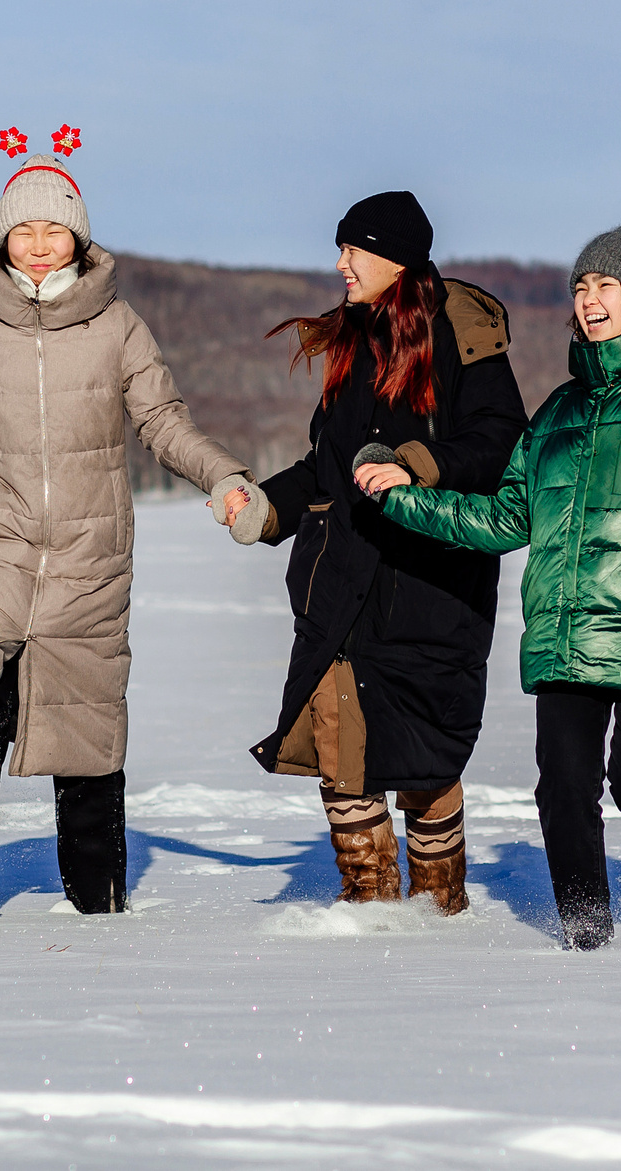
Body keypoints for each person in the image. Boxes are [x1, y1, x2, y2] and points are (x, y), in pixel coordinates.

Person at [366, 219, 621, 950]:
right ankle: (587, 936)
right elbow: (506, 516)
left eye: (606, 285)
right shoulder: (558, 413)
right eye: (580, 287)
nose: (589, 301)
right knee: (563, 788)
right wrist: (400, 494)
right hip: (565, 636)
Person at [0, 134, 263, 916]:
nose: (37, 245)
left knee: (90, 729)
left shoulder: (118, 327)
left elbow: (162, 420)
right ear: (2, 237)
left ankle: (96, 898)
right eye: (23, 230)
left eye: (52, 229)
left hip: (87, 558)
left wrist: (224, 477)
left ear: (78, 237)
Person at [214, 191, 526, 914]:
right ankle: (368, 910)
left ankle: (441, 913)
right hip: (341, 587)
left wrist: (415, 462)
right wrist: (264, 506)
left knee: (425, 763)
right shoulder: (353, 342)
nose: (340, 264)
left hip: (431, 585)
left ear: (394, 257)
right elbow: (325, 465)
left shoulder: (462, 334)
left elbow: (500, 442)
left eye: (353, 250)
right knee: (340, 757)